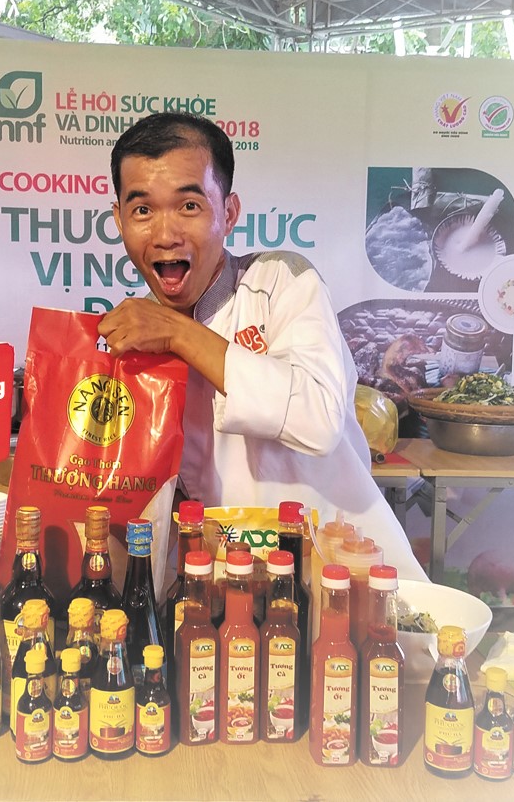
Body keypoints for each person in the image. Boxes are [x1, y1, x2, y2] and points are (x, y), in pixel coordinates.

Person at [97, 112, 427, 582]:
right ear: (119, 220)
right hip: (215, 587)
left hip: (336, 574)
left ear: (228, 213)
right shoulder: (136, 335)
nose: (166, 234)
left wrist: (178, 333)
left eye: (189, 206)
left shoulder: (282, 282)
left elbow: (319, 419)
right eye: (143, 211)